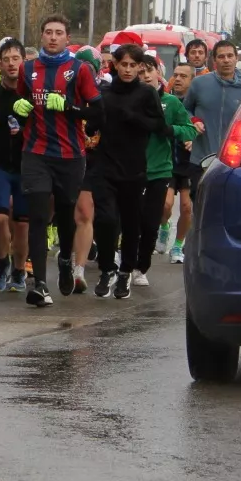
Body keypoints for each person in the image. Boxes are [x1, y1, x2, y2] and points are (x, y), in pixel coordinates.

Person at [15, 15, 102, 307]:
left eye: (59, 33)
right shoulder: (27, 69)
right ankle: (39, 283)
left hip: (69, 155)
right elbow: (18, 107)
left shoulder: (79, 70)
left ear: (67, 39)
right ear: (41, 36)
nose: (53, 37)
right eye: (48, 32)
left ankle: (65, 258)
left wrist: (70, 106)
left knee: (65, 216)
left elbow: (97, 113)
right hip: (35, 152)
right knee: (38, 216)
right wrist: (18, 109)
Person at [85, 44, 166, 299]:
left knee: (132, 224)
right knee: (106, 220)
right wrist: (90, 121)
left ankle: (125, 272)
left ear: (140, 66)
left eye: (133, 65)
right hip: (105, 166)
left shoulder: (146, 94)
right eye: (124, 65)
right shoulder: (105, 93)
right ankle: (107, 268)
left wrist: (135, 118)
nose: (128, 70)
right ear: (115, 65)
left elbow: (159, 126)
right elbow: (92, 124)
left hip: (134, 170)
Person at [136, 56, 197, 286]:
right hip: (129, 168)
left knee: (157, 216)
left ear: (158, 73)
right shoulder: (126, 98)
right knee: (129, 219)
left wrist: (168, 129)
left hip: (160, 169)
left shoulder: (170, 102)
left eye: (149, 70)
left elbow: (189, 130)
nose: (145, 75)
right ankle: (124, 262)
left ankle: (142, 267)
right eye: (140, 72)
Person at [0, 37, 31, 293]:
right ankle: (3, 261)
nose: (12, 64)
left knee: (22, 224)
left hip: (27, 166)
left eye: (16, 58)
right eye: (7, 59)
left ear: (24, 62)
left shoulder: (33, 92)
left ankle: (20, 269)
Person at [184, 41, 241, 161]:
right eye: (221, 56)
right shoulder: (199, 83)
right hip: (200, 160)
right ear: (214, 60)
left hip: (230, 162)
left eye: (230, 56)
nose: (226, 60)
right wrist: (193, 120)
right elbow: (185, 109)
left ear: (237, 58)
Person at [166, 67, 205, 264]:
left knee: (187, 207)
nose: (178, 79)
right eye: (176, 75)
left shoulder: (196, 105)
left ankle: (177, 246)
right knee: (165, 205)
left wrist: (193, 138)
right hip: (167, 160)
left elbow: (201, 128)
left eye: (184, 76)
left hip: (188, 162)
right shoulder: (165, 100)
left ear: (192, 80)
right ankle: (163, 227)